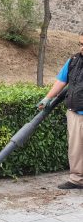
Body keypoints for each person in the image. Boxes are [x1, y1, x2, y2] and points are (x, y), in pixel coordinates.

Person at [37, 31, 83, 189]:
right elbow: (61, 81)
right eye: (81, 44)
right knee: (75, 147)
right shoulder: (73, 61)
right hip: (75, 112)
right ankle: (77, 179)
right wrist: (47, 98)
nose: (82, 48)